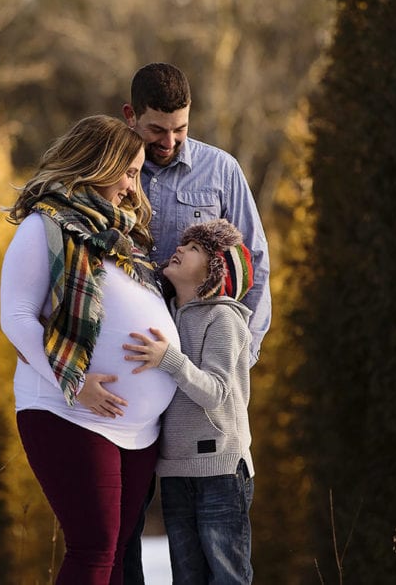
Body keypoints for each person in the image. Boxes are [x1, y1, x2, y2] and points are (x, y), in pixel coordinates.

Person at [0, 115, 181, 585]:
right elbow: (16, 319)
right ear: (99, 163)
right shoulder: (44, 226)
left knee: (118, 551)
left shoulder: (121, 240)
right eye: (129, 171)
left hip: (137, 430)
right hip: (69, 413)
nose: (132, 186)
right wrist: (74, 383)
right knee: (95, 547)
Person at [120, 62, 270, 583]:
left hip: (201, 382)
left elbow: (255, 265)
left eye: (180, 128)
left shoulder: (221, 170)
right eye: (157, 129)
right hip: (136, 376)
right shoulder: (114, 174)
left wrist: (232, 363)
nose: (170, 140)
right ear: (130, 117)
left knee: (217, 542)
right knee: (127, 525)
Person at [124, 219, 256, 584]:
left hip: (220, 471)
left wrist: (169, 358)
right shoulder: (167, 312)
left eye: (195, 248)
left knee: (227, 576)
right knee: (186, 577)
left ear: (213, 272)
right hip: (175, 471)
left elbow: (216, 391)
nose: (180, 249)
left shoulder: (223, 317)